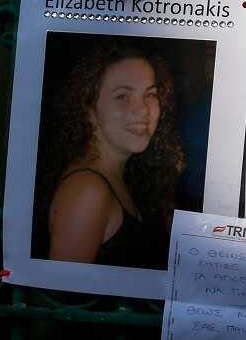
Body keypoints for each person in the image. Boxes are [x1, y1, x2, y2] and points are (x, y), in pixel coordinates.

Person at [37, 43, 185, 269]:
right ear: (88, 107)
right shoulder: (88, 189)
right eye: (122, 96)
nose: (143, 110)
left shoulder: (129, 178)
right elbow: (63, 298)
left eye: (150, 94)